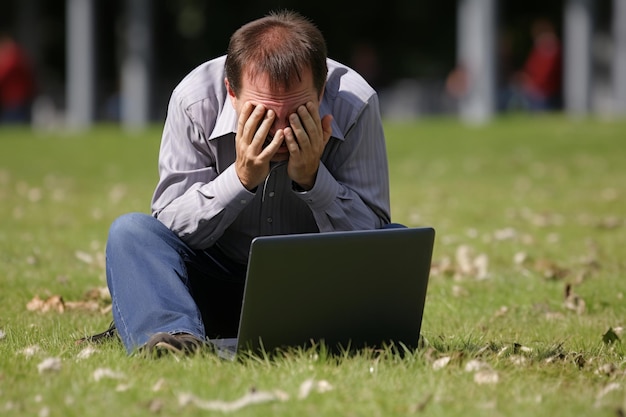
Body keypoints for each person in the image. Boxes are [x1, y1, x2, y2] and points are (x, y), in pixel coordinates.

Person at [104, 10, 392, 356]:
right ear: (232, 92)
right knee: (131, 233)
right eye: (264, 115)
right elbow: (169, 227)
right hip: (208, 284)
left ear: (322, 88)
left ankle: (354, 337)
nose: (282, 132)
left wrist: (315, 182)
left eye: (299, 113)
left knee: (400, 239)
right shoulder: (194, 100)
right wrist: (239, 181)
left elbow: (375, 239)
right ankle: (174, 338)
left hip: (313, 289)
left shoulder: (355, 104)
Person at [0, 31, 36, 124]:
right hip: (17, 98)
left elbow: (3, 74)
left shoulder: (12, 57)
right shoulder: (21, 56)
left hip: (15, 99)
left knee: (13, 124)